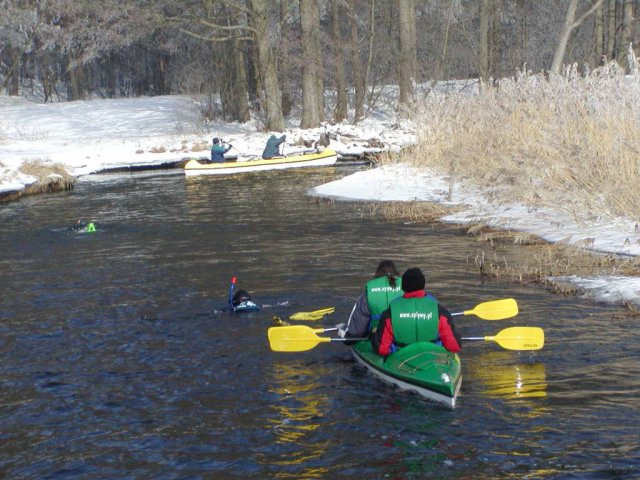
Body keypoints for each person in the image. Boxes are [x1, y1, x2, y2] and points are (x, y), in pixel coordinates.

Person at [371, 267, 462, 356]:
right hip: (432, 356)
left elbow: (382, 349)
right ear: (423, 285)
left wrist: (373, 336)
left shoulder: (389, 313)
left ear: (403, 287)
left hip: (401, 358)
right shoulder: (441, 312)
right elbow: (454, 346)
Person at [337, 260, 403, 342]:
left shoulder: (368, 294)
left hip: (379, 338)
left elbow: (357, 332)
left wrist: (344, 334)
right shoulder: (406, 289)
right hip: (403, 334)